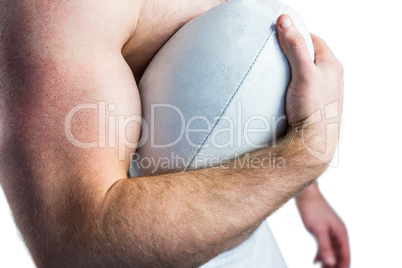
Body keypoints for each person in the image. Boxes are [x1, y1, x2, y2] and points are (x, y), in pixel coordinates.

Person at [0, 0, 349, 267]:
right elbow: (75, 242)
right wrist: (305, 154)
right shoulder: (62, 12)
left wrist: (308, 194)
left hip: (254, 245)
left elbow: (234, 91)